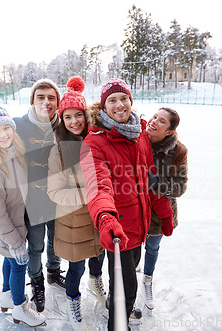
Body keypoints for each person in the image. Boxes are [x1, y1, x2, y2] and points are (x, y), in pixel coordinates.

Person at [80, 78, 174, 331]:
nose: (119, 105)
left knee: (128, 272)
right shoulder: (94, 143)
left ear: (131, 101)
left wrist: (165, 213)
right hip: (118, 231)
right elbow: (98, 186)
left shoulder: (140, 134)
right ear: (103, 106)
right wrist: (106, 219)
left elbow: (149, 177)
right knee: (126, 288)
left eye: (123, 99)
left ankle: (116, 304)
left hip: (139, 226)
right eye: (112, 100)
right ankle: (117, 324)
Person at [0, 99, 45, 327]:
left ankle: (7, 295)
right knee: (18, 264)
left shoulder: (10, 152)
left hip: (15, 223)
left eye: (6, 127)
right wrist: (15, 241)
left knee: (10, 261)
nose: (2, 134)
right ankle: (20, 307)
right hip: (6, 228)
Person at [47, 77, 106, 330]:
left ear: (86, 115)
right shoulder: (58, 150)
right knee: (75, 268)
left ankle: (97, 283)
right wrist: (89, 195)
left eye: (78, 115)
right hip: (73, 222)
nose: (74, 122)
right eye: (67, 116)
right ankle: (73, 302)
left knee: (99, 258)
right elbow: (54, 192)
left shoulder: (98, 142)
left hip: (98, 217)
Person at [13, 79, 65, 312]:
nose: (46, 102)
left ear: (58, 102)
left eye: (51, 97)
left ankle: (54, 272)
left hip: (58, 197)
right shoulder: (17, 125)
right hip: (32, 200)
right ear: (32, 100)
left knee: (56, 241)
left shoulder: (65, 127)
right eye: (41, 97)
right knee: (35, 245)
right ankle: (37, 282)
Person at [143, 107, 188, 310]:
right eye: (154, 116)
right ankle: (130, 280)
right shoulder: (136, 139)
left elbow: (180, 186)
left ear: (169, 131)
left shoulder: (178, 151)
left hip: (159, 216)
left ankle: (147, 279)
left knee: (152, 248)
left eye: (162, 121)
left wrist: (154, 184)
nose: (154, 122)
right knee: (132, 250)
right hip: (134, 209)